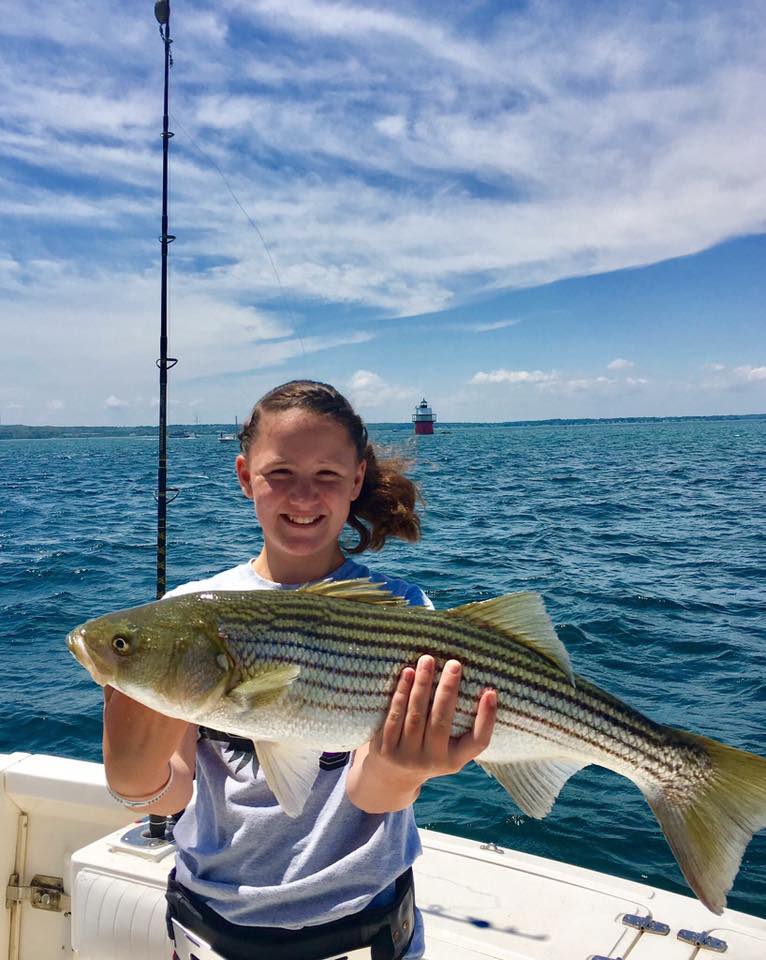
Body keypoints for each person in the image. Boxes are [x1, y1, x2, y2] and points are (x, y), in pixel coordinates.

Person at [102, 380, 497, 960]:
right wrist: (131, 757)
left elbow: (371, 792)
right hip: (211, 923)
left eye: (328, 476)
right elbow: (166, 795)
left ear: (357, 479)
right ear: (245, 476)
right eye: (280, 473)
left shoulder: (404, 614)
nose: (304, 496)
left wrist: (400, 767)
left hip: (363, 926)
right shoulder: (188, 612)